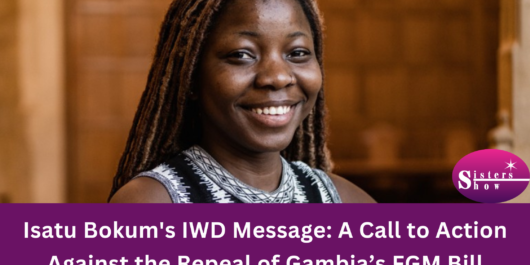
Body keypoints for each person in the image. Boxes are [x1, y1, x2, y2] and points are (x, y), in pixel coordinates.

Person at [108, 0, 374, 203]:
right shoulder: (152, 203)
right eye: (242, 54)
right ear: (190, 76)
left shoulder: (347, 202)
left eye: (298, 53)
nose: (278, 77)